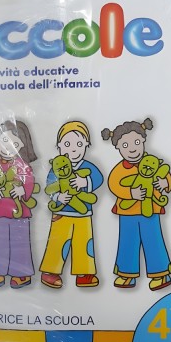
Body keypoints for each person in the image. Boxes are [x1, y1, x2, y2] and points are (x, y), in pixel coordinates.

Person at [101, 118, 171, 291]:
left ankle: (160, 273)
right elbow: (113, 185)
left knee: (153, 240)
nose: (132, 149)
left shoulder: (153, 162)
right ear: (118, 148)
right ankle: (126, 273)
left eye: (136, 142)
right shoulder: (119, 169)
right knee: (128, 242)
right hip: (127, 214)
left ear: (143, 140)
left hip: (151, 210)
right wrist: (131, 193)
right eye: (125, 145)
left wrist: (165, 183)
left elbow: (165, 173)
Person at [40, 121, 103, 289]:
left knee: (84, 242)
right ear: (59, 146)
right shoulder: (56, 167)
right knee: (57, 242)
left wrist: (85, 181)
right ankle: (50, 271)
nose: (73, 149)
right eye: (67, 144)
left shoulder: (88, 167)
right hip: (61, 213)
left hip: (83, 214)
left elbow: (98, 179)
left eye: (79, 144)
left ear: (86, 145)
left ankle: (85, 272)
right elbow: (50, 186)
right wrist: (58, 197)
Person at [0, 120, 38, 289]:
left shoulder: (23, 166)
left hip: (20, 212)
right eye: (4, 140)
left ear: (22, 146)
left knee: (21, 243)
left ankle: (21, 273)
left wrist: (23, 191)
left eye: (14, 143)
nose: (8, 146)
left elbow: (29, 181)